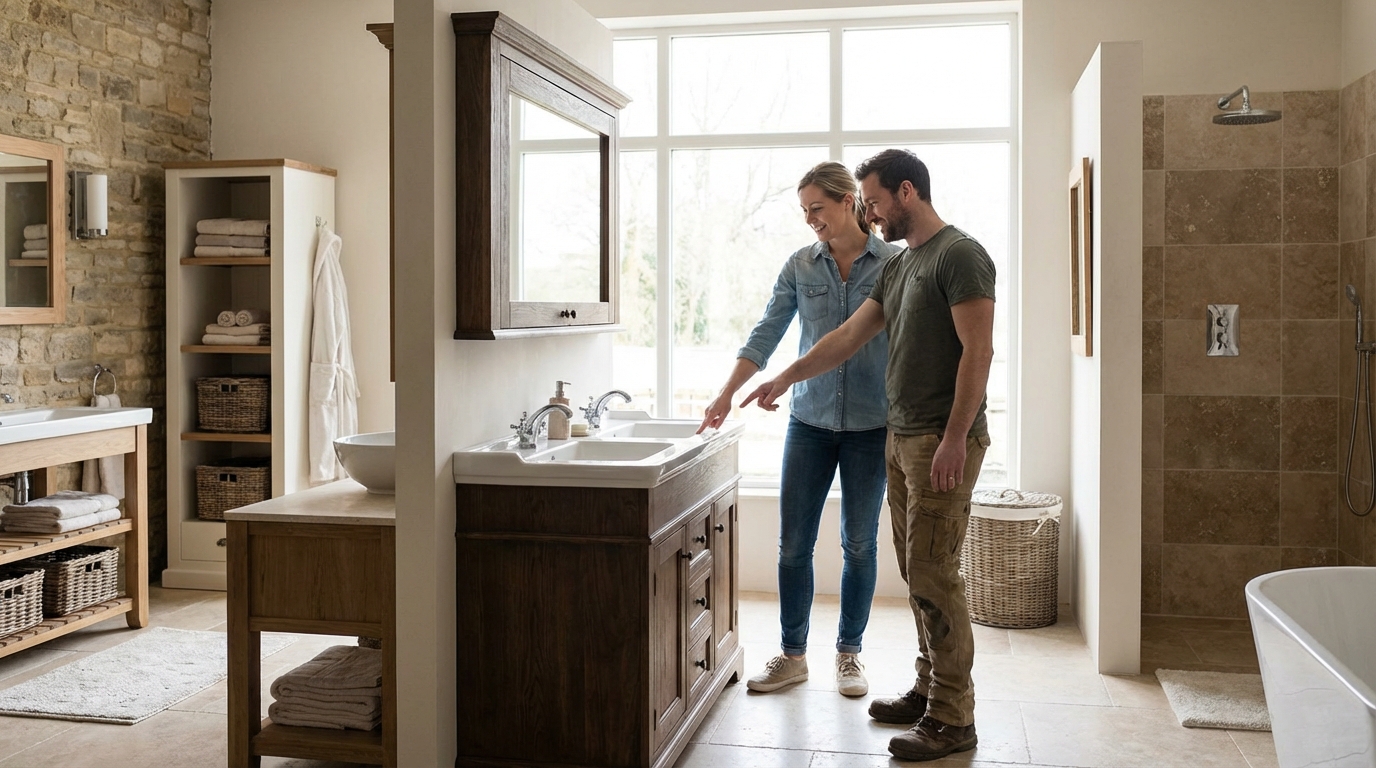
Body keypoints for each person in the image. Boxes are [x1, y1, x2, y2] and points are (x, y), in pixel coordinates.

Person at [741, 149, 996, 761]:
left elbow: (978, 352)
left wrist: (956, 436)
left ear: (906, 192)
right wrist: (785, 377)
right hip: (901, 437)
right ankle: (929, 689)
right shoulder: (904, 266)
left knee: (937, 574)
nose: (870, 215)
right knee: (917, 574)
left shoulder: (959, 255)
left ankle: (953, 719)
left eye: (875, 202)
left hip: (940, 440)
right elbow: (849, 337)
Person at [698, 161, 900, 698]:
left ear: (848, 202)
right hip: (808, 422)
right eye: (804, 211)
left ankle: (850, 655)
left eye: (818, 208)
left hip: (870, 426)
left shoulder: (894, 264)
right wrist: (725, 392)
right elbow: (767, 332)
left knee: (859, 544)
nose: (811, 219)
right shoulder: (800, 266)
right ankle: (792, 655)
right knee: (793, 546)